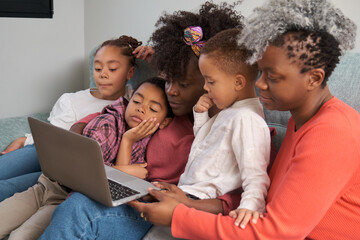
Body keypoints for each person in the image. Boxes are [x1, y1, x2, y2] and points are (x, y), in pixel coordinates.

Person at [130, 0, 360, 239]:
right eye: (260, 72)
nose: (258, 84)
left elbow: (275, 233)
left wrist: (178, 215)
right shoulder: (299, 120)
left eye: (272, 76)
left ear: (314, 79)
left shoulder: (333, 133)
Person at [39, 2, 245, 239]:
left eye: (183, 84)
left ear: (210, 82)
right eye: (167, 80)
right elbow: (118, 112)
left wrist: (184, 204)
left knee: (78, 208)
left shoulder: (226, 124)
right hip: (126, 185)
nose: (171, 91)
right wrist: (75, 132)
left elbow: (235, 197)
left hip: (156, 206)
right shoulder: (167, 107)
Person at [0, 77, 172, 240]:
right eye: (136, 101)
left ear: (164, 122)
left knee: (19, 236)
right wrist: (124, 168)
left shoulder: (150, 144)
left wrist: (128, 141)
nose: (141, 108)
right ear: (128, 101)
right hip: (49, 186)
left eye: (153, 109)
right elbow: (85, 172)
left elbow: (114, 188)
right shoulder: (106, 124)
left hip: (63, 201)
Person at [0, 35, 139, 201]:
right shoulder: (72, 101)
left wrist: (154, 58)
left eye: (112, 69)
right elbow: (52, 136)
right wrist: (25, 140)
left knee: (7, 188)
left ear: (130, 72)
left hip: (68, 171)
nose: (103, 75)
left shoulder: (134, 102)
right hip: (44, 151)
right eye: (98, 68)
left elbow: (163, 94)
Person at [174, 27, 270, 228]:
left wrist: (251, 206)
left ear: (238, 82)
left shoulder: (247, 119)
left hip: (199, 199)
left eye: (210, 81)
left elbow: (255, 174)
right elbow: (205, 147)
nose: (205, 88)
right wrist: (200, 115)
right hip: (187, 191)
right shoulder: (230, 112)